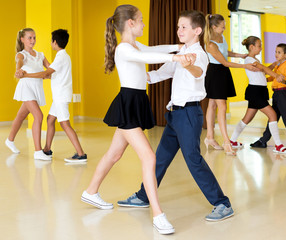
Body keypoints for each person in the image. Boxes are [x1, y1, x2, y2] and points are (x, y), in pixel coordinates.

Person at [80, 5, 192, 235]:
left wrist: (175, 47)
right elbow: (147, 56)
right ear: (130, 23)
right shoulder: (123, 49)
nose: (143, 24)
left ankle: (91, 192)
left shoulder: (133, 44)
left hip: (136, 101)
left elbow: (151, 49)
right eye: (141, 20)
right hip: (128, 103)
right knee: (149, 157)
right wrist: (177, 57)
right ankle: (158, 215)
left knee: (115, 154)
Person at [116, 10, 234, 223]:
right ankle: (144, 196)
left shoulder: (199, 54)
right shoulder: (182, 54)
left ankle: (222, 203)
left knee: (193, 160)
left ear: (197, 31)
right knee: (160, 159)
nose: (179, 30)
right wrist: (136, 76)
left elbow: (198, 72)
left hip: (189, 114)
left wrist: (188, 65)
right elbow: (159, 73)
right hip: (175, 114)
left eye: (184, 27)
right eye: (178, 26)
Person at [16, 29, 87, 163]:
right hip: (59, 96)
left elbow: (45, 73)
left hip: (61, 97)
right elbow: (50, 74)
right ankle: (47, 149)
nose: (50, 43)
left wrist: (26, 75)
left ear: (55, 42)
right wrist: (44, 75)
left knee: (65, 124)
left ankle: (81, 153)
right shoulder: (63, 56)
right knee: (50, 120)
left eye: (51, 41)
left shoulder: (61, 57)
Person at [203, 14, 258, 155]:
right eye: (222, 26)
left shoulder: (221, 37)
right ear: (214, 27)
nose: (225, 28)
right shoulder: (209, 44)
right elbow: (225, 62)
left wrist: (241, 56)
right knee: (221, 106)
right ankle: (227, 142)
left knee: (212, 105)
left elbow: (225, 52)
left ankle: (209, 137)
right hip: (215, 74)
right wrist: (245, 66)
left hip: (223, 73)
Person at [229, 37, 286, 153]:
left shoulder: (254, 60)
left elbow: (263, 70)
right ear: (251, 47)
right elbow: (262, 68)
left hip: (259, 91)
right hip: (255, 92)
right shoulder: (249, 60)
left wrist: (274, 65)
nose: (261, 48)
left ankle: (232, 140)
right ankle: (278, 146)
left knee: (247, 119)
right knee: (272, 114)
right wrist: (276, 75)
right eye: (259, 46)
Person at [6, 28, 52, 161]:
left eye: (34, 38)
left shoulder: (41, 55)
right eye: (29, 38)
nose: (33, 40)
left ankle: (10, 140)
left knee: (21, 116)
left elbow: (49, 70)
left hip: (36, 89)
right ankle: (38, 151)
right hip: (26, 87)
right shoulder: (21, 54)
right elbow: (19, 64)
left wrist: (47, 75)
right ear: (22, 39)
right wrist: (18, 71)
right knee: (38, 115)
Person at [251, 43, 286, 153]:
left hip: (283, 95)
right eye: (275, 52)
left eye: (279, 52)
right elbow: (273, 77)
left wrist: (283, 81)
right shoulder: (278, 65)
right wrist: (264, 80)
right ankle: (263, 141)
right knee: (272, 118)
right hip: (276, 95)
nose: (276, 54)